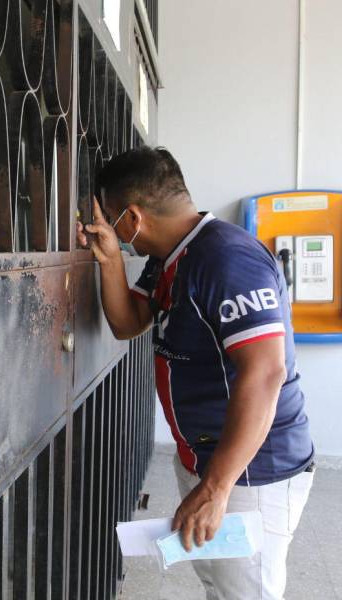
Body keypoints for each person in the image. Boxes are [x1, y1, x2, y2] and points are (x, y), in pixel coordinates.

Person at [76, 146, 315, 600]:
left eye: (111, 220)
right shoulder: (171, 258)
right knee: (221, 585)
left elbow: (266, 372)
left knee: (245, 593)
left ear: (132, 217)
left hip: (251, 472)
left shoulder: (227, 260)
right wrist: (109, 261)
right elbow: (129, 323)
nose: (115, 231)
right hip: (212, 462)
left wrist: (216, 488)